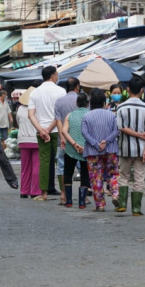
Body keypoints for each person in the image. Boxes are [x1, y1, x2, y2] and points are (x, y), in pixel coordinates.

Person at [115, 78, 145, 216]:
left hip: (124, 147)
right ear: (142, 91)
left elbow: (120, 127)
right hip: (141, 149)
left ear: (128, 90)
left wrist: (136, 134)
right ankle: (136, 209)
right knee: (139, 178)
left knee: (123, 175)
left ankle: (122, 204)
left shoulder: (121, 107)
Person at [28, 67, 66, 201]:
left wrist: (41, 130)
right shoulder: (61, 91)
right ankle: (63, 192)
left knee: (44, 161)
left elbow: (31, 115)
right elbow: (60, 114)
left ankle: (43, 193)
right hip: (58, 130)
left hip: (42, 131)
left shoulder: (34, 93)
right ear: (53, 76)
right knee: (61, 161)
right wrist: (49, 129)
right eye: (57, 74)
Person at [81, 88, 119, 212]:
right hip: (110, 149)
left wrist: (96, 144)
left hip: (93, 152)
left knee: (96, 177)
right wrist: (106, 141)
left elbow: (84, 133)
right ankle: (115, 194)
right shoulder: (111, 115)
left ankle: (100, 204)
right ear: (104, 102)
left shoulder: (86, 116)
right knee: (113, 174)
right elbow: (116, 131)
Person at [61, 92, 92, 208]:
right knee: (85, 174)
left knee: (68, 173)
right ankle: (82, 202)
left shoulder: (70, 115)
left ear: (76, 103)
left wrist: (74, 144)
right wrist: (84, 145)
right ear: (88, 104)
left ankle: (69, 201)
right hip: (86, 149)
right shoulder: (90, 115)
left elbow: (64, 131)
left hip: (70, 149)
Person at [55, 77, 82, 206]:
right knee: (83, 167)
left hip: (64, 139)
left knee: (62, 167)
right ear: (77, 86)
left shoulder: (59, 101)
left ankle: (63, 194)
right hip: (80, 139)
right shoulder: (82, 99)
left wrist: (62, 138)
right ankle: (84, 196)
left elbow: (58, 121)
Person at [17, 88, 40, 198]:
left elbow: (18, 123)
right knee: (36, 167)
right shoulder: (39, 109)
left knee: (25, 167)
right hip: (36, 140)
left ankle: (24, 190)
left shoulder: (20, 109)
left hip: (23, 140)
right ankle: (35, 191)